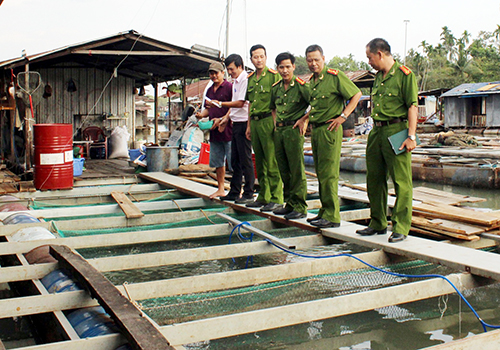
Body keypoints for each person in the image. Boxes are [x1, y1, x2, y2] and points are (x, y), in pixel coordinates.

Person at [356, 38, 418, 243]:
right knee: (374, 179)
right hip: (377, 131)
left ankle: (400, 226)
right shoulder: (377, 78)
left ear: (380, 54)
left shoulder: (404, 75)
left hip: (397, 131)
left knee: (401, 180)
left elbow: (412, 106)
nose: (369, 62)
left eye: (370, 57)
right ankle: (378, 222)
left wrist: (411, 136)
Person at [306, 44, 362, 228]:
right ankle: (324, 211)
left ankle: (332, 216)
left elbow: (356, 94)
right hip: (316, 129)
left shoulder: (335, 76)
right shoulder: (312, 82)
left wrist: (343, 117)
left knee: (329, 173)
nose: (313, 63)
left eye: (316, 60)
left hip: (330, 129)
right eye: (310, 60)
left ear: (323, 58)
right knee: (321, 173)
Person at [211, 54, 255, 204]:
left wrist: (221, 104)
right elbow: (234, 106)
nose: (230, 72)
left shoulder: (245, 79)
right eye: (228, 70)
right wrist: (226, 119)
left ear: (240, 67)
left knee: (245, 159)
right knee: (235, 161)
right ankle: (235, 191)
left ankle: (249, 192)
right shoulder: (235, 81)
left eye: (232, 69)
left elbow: (240, 103)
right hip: (236, 122)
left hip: (243, 123)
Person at [270, 52, 310, 220]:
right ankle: (290, 203)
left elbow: (315, 104)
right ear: (277, 68)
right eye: (281, 67)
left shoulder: (301, 86)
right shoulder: (276, 88)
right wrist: (275, 124)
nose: (285, 70)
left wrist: (304, 120)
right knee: (283, 168)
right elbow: (273, 108)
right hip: (279, 131)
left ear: (293, 67)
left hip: (293, 130)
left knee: (296, 169)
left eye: (288, 67)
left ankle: (300, 206)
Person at [245, 44, 284, 212]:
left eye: (261, 56)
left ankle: (277, 198)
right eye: (255, 57)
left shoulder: (274, 77)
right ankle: (263, 196)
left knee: (271, 161)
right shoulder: (251, 79)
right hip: (255, 122)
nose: (258, 60)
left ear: (266, 57)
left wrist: (276, 124)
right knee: (259, 161)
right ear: (251, 59)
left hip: (269, 120)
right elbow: (250, 103)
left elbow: (280, 101)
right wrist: (248, 125)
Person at [195, 61, 233, 199]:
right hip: (214, 130)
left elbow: (234, 106)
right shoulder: (210, 90)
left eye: (216, 73)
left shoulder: (229, 87)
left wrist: (224, 118)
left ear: (223, 73)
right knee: (218, 162)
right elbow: (208, 108)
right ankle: (221, 188)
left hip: (228, 129)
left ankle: (237, 189)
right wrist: (201, 115)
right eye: (211, 73)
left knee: (233, 162)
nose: (213, 76)